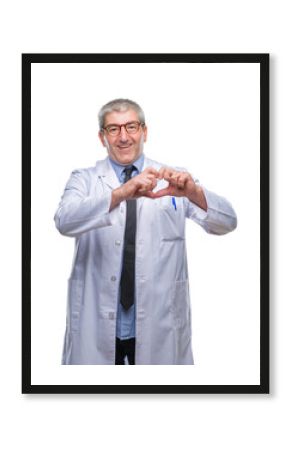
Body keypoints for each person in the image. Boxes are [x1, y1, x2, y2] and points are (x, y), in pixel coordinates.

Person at [54, 98, 237, 365]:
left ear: (145, 132)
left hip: (160, 325)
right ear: (101, 137)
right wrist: (121, 193)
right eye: (113, 129)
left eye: (131, 127)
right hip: (96, 327)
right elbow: (64, 221)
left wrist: (195, 193)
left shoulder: (174, 179)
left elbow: (228, 222)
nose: (124, 137)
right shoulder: (85, 179)